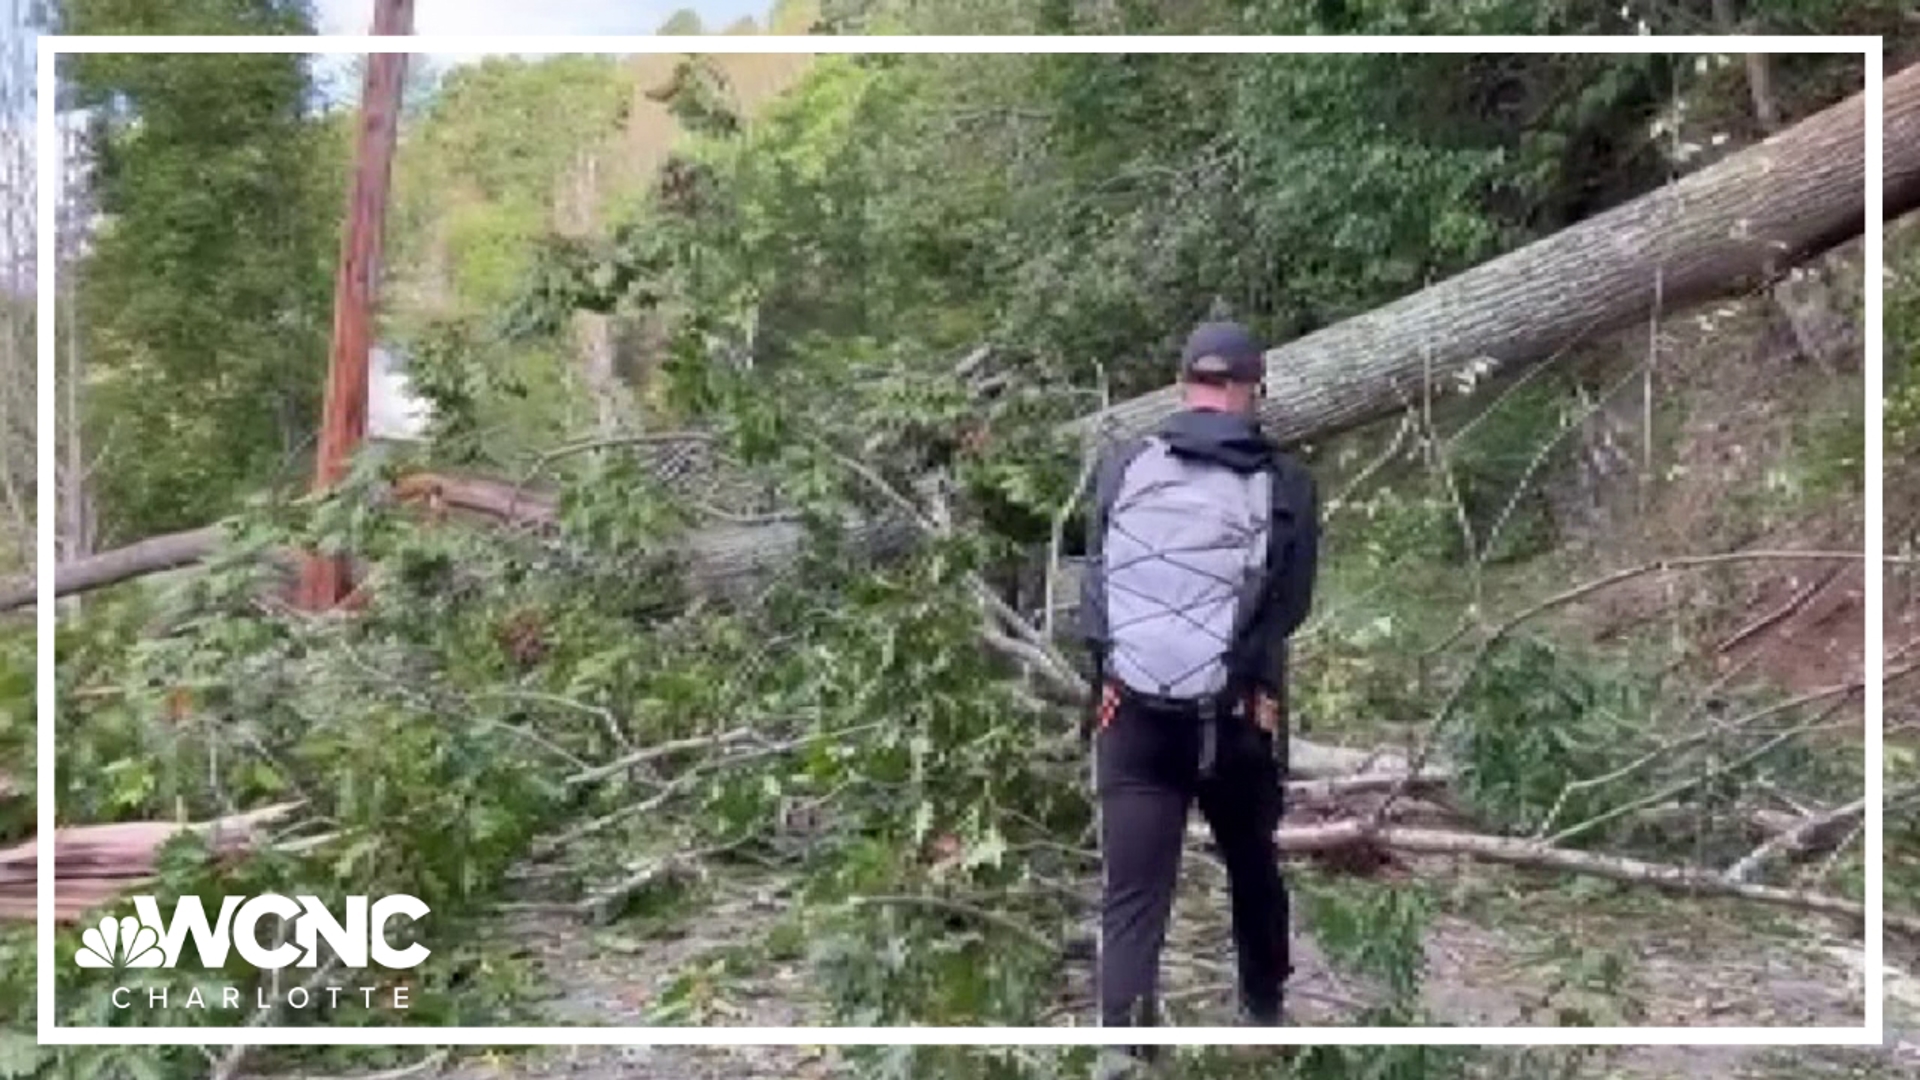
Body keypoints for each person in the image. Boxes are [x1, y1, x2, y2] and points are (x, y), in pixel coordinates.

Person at [1079, 320, 1319, 1069]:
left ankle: (1123, 1046)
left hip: (1133, 713)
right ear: (1254, 389)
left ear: (1183, 381)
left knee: (1133, 892)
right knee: (1252, 863)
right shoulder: (1285, 480)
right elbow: (1294, 605)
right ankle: (1262, 1014)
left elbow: (1094, 593)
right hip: (1238, 715)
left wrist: (1113, 680)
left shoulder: (1124, 464)